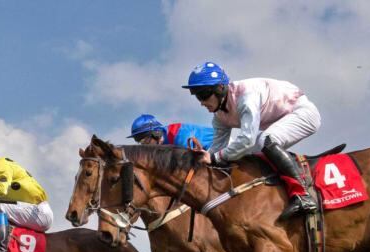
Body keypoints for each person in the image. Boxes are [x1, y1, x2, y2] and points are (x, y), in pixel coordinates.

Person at [182, 61, 322, 220]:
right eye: (197, 96)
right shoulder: (220, 117)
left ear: (220, 88)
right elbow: (217, 149)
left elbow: (247, 139)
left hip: (303, 114)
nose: (201, 102)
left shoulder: (246, 97)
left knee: (265, 141)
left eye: (203, 95)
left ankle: (303, 196)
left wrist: (215, 157)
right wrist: (203, 160)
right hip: (281, 119)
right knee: (248, 153)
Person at [128, 114, 215, 149]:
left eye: (145, 141)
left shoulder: (179, 136)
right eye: (141, 143)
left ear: (156, 133)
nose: (145, 146)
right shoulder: (162, 144)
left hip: (222, 146)